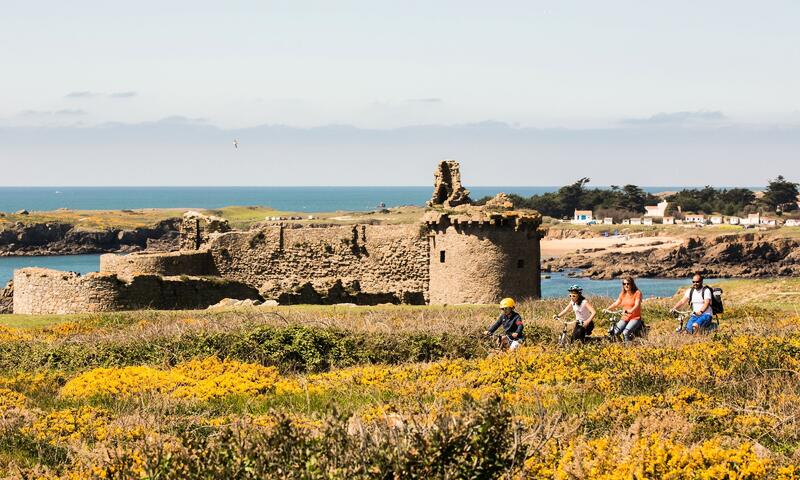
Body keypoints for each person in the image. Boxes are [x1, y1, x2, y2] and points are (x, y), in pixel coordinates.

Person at [605, 276, 644, 341]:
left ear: (632, 284)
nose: (626, 285)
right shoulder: (622, 294)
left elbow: (637, 304)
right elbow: (616, 303)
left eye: (628, 283)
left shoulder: (637, 293)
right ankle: (621, 345)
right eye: (624, 284)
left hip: (635, 318)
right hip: (625, 317)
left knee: (625, 333)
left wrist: (631, 310)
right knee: (615, 332)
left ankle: (628, 348)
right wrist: (607, 309)